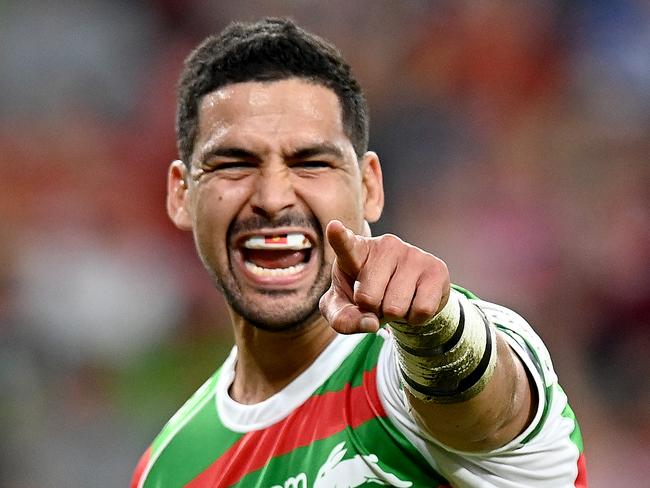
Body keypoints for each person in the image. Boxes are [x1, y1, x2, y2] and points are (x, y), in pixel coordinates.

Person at [131, 18, 587, 488]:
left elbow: (485, 406)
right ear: (180, 194)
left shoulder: (403, 367)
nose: (271, 197)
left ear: (369, 186)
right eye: (233, 164)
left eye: (310, 162)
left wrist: (435, 334)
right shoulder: (167, 470)